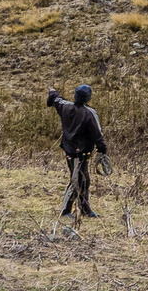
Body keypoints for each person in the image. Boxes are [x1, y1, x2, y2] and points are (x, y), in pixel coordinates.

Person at [46, 84, 110, 218]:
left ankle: (85, 209)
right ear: (88, 98)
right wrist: (102, 150)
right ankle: (65, 210)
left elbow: (56, 99)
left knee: (83, 179)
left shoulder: (66, 107)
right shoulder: (89, 113)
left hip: (69, 150)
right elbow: (97, 135)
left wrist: (52, 91)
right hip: (81, 153)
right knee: (77, 180)